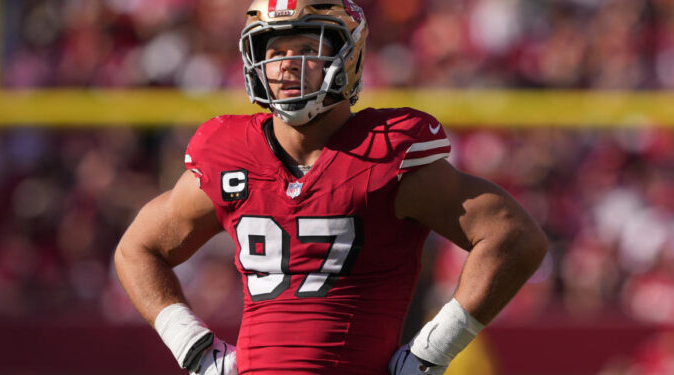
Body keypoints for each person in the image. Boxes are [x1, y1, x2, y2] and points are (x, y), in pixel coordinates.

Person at [114, 1, 548, 374]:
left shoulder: (384, 153)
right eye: (275, 49)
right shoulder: (229, 153)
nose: (286, 64)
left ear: (349, 54)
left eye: (306, 49)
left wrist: (433, 349)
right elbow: (137, 249)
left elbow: (514, 236)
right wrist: (191, 344)